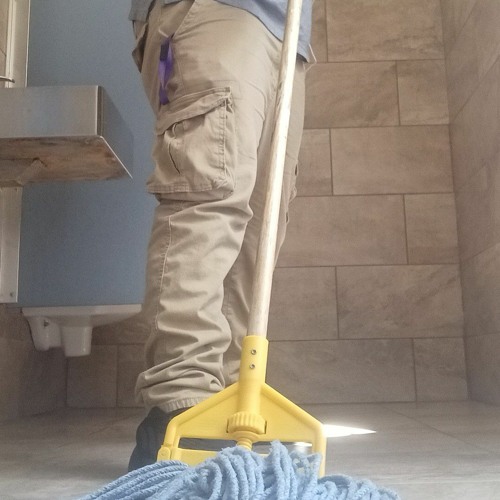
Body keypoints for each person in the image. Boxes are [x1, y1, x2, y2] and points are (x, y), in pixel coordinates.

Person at [128, 0, 313, 471]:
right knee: (210, 195)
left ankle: (232, 404)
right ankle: (181, 404)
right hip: (220, 10)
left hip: (290, 38)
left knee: (260, 227)